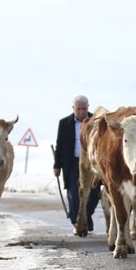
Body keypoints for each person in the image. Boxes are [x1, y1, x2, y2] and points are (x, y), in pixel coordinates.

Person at [53, 95, 101, 233]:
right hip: (73, 162)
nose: (81, 111)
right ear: (73, 108)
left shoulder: (96, 121)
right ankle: (78, 222)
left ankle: (85, 217)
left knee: (94, 193)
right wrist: (57, 165)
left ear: (88, 107)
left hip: (92, 163)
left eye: (84, 108)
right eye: (78, 109)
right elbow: (60, 145)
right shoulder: (64, 123)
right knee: (74, 194)